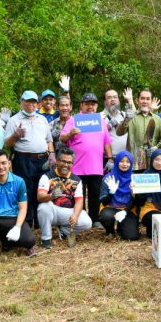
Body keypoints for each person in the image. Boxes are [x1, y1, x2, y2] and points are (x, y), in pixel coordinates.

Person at [4, 91, 56, 228]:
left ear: (37, 104)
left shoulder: (42, 119)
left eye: (33, 102)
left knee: (41, 189)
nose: (30, 104)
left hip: (42, 159)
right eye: (27, 101)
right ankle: (27, 221)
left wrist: (52, 154)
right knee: (26, 189)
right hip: (23, 159)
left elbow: (49, 140)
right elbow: (7, 144)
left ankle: (40, 220)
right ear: (21, 102)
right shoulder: (14, 120)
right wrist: (15, 136)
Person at [60, 92, 113, 225]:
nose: (90, 107)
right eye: (87, 104)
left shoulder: (100, 122)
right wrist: (71, 134)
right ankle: (81, 219)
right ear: (81, 105)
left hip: (96, 166)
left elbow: (106, 142)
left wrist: (110, 158)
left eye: (93, 104)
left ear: (96, 106)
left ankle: (95, 219)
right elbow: (62, 138)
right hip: (78, 167)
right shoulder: (74, 120)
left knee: (95, 195)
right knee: (79, 195)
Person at [0, 149, 38, 260]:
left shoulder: (19, 181)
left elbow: (23, 207)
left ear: (9, 163)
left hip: (12, 218)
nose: (1, 167)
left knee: (29, 240)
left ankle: (7, 241)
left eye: (4, 163)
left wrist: (18, 227)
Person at [36, 147, 92, 249]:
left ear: (73, 163)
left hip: (68, 212)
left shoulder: (76, 179)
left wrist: (75, 215)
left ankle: (63, 230)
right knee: (43, 207)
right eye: (63, 161)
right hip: (52, 210)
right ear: (57, 161)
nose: (66, 165)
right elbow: (40, 197)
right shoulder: (47, 177)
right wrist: (52, 195)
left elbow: (79, 201)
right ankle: (46, 239)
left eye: (69, 162)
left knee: (87, 222)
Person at [116, 88, 161, 172]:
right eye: (142, 98)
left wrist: (156, 148)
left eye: (148, 99)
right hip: (134, 164)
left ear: (151, 101)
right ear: (137, 101)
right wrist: (127, 119)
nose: (145, 101)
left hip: (152, 164)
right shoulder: (131, 117)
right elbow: (119, 132)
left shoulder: (157, 119)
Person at [98, 151, 140, 240]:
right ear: (116, 162)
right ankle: (110, 230)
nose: (124, 164)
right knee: (106, 216)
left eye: (127, 162)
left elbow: (137, 201)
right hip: (110, 208)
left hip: (128, 209)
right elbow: (104, 202)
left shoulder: (135, 178)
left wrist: (125, 211)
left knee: (131, 237)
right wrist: (112, 192)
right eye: (121, 161)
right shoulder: (108, 177)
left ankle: (122, 227)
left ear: (131, 163)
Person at [101, 89, 128, 159]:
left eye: (115, 97)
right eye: (109, 98)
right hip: (106, 158)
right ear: (105, 101)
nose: (113, 99)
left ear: (118, 100)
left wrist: (130, 99)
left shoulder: (124, 115)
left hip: (124, 158)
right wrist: (107, 127)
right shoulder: (99, 117)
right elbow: (95, 137)